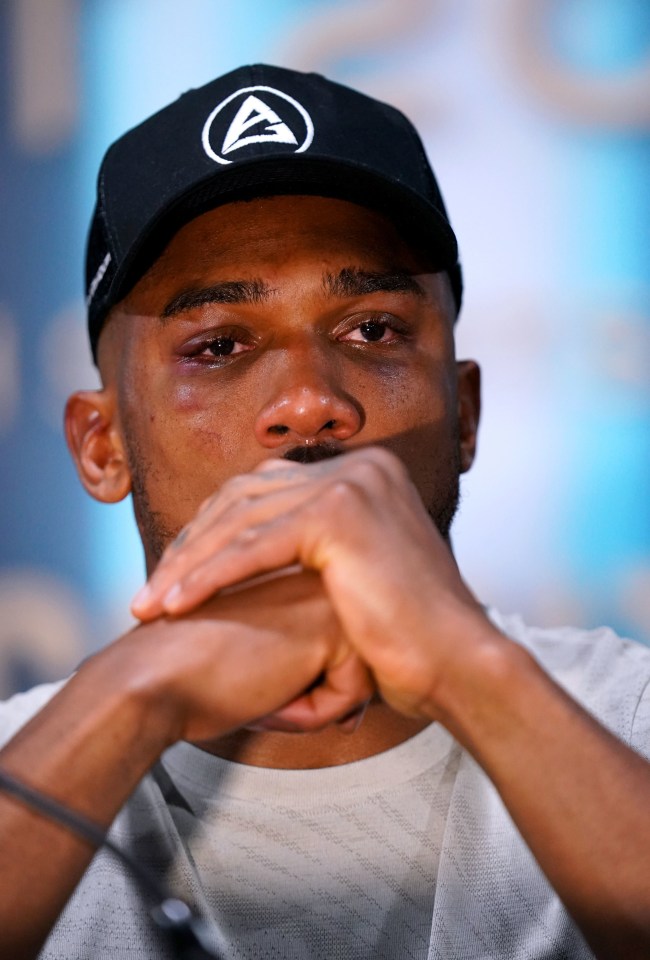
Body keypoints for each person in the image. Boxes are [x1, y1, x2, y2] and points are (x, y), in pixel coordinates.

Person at [0, 63, 648, 960]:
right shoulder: (22, 764)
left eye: (373, 331)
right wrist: (133, 690)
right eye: (219, 345)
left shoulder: (626, 720)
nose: (309, 402)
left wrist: (468, 669)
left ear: (465, 415)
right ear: (102, 445)